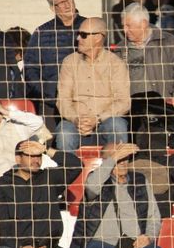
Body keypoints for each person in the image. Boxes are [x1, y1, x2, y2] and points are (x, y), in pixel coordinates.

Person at [119, 2, 174, 151]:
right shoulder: (120, 50)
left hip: (162, 110)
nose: (124, 30)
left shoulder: (169, 43)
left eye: (128, 26)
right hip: (133, 114)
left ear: (143, 24)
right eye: (123, 26)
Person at [55, 16, 131, 153]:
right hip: (75, 123)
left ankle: (117, 166)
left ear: (98, 38)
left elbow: (123, 102)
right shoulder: (69, 62)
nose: (78, 38)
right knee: (64, 132)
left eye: (83, 35)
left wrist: (98, 119)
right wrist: (76, 119)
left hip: (105, 122)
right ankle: (69, 167)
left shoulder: (116, 64)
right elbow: (63, 100)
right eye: (78, 34)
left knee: (117, 125)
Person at [23, 0, 84, 124]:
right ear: (52, 8)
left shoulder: (89, 27)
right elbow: (30, 69)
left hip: (86, 101)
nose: (67, 5)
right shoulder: (42, 32)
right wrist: (47, 93)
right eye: (61, 3)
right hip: (52, 103)